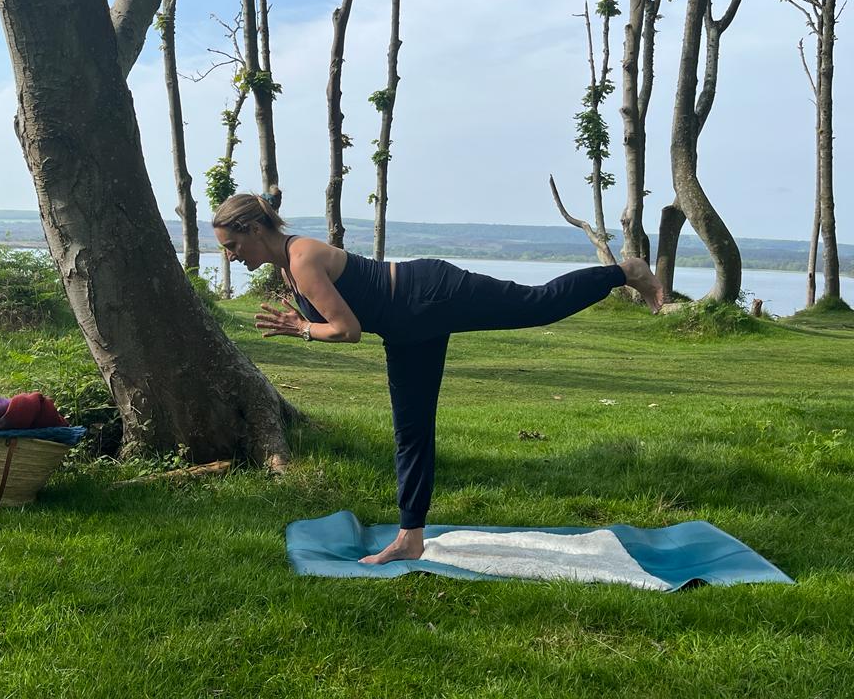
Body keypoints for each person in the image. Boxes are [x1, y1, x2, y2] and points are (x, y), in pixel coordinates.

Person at [212, 194, 664, 564]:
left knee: (536, 304)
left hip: (431, 293)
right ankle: (410, 537)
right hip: (406, 328)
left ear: (254, 229)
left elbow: (347, 331)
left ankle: (627, 272)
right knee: (411, 432)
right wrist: (305, 321)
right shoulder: (288, 267)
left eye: (231, 246)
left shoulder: (301, 257)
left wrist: (304, 329)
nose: (230, 257)